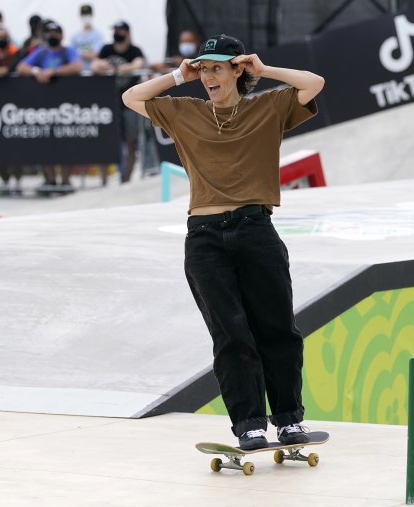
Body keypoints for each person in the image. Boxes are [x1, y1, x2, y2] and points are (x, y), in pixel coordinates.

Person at [122, 34, 325, 450]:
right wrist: (180, 74)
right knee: (231, 335)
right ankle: (249, 425)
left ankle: (288, 420)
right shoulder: (185, 112)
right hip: (205, 239)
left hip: (256, 230)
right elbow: (131, 96)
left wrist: (263, 70)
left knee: (277, 329)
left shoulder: (268, 107)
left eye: (217, 67)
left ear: (238, 69)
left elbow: (313, 83)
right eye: (204, 69)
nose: (208, 76)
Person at [16, 19, 83, 194]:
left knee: (66, 142)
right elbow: (21, 66)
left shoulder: (67, 52)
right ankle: (50, 180)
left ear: (61, 36)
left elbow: (77, 66)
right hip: (45, 107)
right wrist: (36, 71)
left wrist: (53, 72)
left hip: (65, 106)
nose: (52, 36)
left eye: (55, 33)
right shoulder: (42, 52)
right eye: (49, 33)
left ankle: (65, 181)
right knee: (46, 143)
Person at [91, 20, 145, 183]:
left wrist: (114, 69)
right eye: (114, 30)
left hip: (129, 103)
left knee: (130, 142)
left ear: (127, 33)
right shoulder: (106, 49)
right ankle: (104, 181)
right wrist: (107, 66)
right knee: (107, 142)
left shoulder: (134, 50)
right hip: (109, 103)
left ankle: (126, 180)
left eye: (119, 31)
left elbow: (137, 65)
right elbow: (95, 65)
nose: (116, 33)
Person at [69, 4, 103, 72]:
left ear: (92, 15)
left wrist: (78, 52)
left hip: (93, 71)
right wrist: (88, 52)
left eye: (88, 14)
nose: (86, 17)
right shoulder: (75, 36)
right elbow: (71, 55)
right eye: (84, 15)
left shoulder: (98, 35)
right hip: (77, 72)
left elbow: (95, 55)